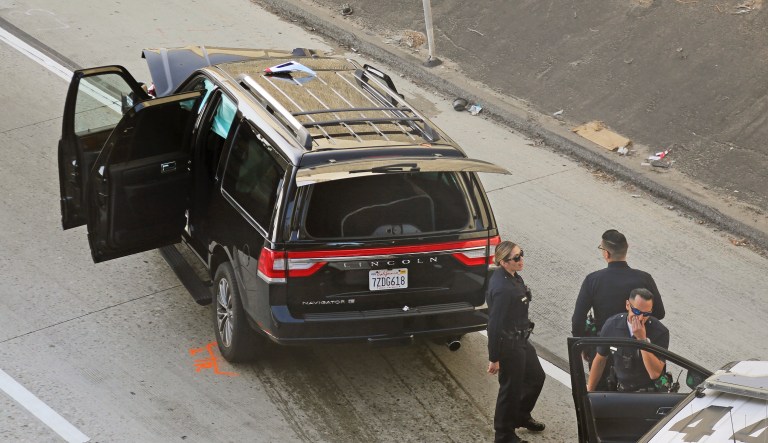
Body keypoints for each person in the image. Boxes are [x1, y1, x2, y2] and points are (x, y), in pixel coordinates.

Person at [487, 241, 546, 443]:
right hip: (509, 345)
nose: (521, 260)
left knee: (536, 377)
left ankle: (521, 415)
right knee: (510, 390)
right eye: (516, 258)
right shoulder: (503, 289)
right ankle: (503, 435)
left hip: (521, 340)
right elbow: (494, 325)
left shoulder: (512, 276)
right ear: (503, 262)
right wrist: (494, 358)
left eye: (521, 254)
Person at [571, 229, 665, 338]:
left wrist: (581, 346)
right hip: (637, 342)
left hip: (603, 344)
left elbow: (578, 320)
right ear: (626, 249)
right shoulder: (645, 279)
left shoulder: (592, 280)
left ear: (606, 253)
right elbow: (659, 313)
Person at [586, 288, 670, 392]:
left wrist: (642, 340)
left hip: (649, 395)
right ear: (627, 305)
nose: (640, 318)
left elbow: (655, 373)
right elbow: (600, 360)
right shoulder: (612, 325)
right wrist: (589, 390)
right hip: (622, 390)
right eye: (636, 311)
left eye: (646, 314)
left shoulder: (660, 332)